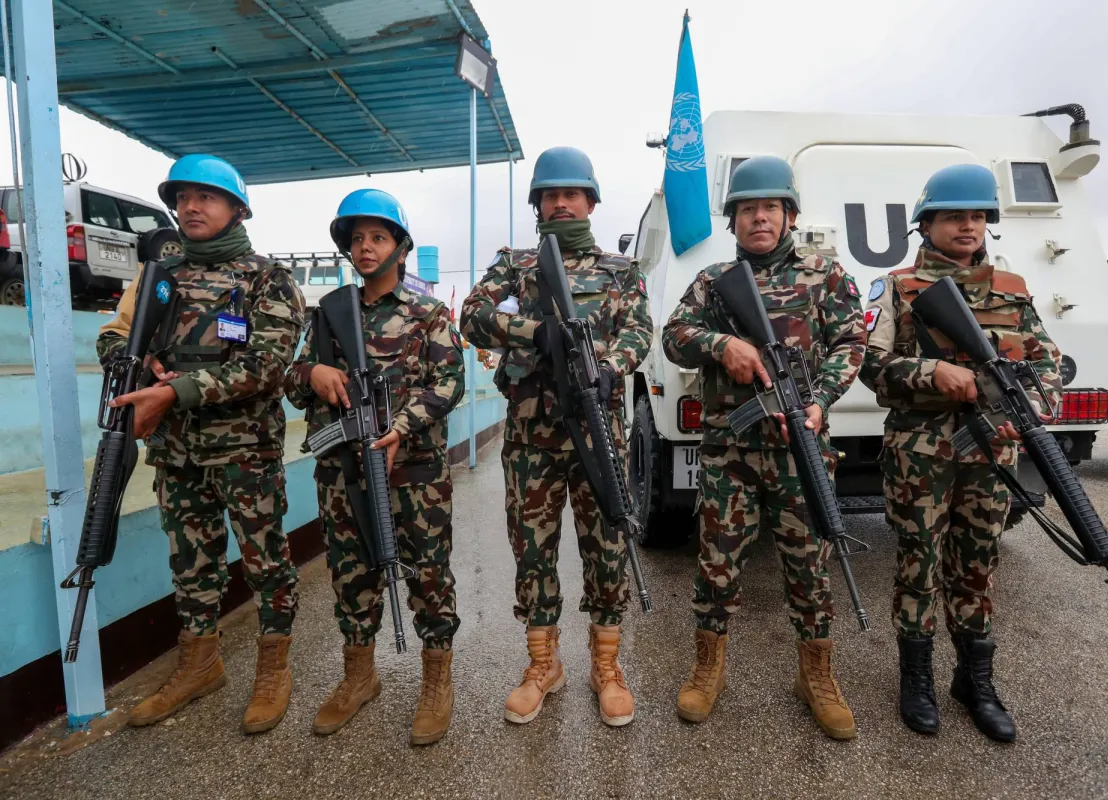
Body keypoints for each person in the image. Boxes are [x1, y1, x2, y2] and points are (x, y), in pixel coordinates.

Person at [96, 154, 304, 733]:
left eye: (206, 196)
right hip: (177, 450)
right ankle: (199, 664)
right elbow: (114, 335)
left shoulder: (267, 278)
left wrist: (176, 391)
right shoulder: (157, 277)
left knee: (266, 562)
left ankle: (274, 669)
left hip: (245, 452)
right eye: (183, 197)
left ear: (238, 209)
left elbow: (267, 365)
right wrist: (139, 366)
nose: (190, 206)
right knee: (191, 562)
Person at [661, 155, 866, 740]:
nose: (759, 218)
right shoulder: (713, 282)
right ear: (733, 220)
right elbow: (673, 338)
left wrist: (819, 401)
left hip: (800, 446)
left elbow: (852, 342)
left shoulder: (826, 276)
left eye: (770, 207)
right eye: (748, 209)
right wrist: (722, 344)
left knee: (809, 564)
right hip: (729, 450)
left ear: (789, 215)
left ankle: (815, 675)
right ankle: (708, 668)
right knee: (717, 562)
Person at [858, 163, 1062, 742]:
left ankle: (975, 682)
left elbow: (1047, 363)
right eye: (954, 216)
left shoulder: (1013, 289)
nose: (968, 226)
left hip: (991, 452)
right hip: (920, 451)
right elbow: (870, 364)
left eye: (977, 216)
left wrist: (1033, 408)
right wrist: (932, 372)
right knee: (919, 562)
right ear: (926, 225)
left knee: (977, 565)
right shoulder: (898, 287)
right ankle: (917, 680)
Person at [460, 146, 652, 727]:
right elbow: (472, 315)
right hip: (531, 436)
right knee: (532, 549)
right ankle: (543, 664)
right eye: (550, 195)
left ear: (591, 202)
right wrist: (533, 331)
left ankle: (607, 666)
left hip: (597, 432)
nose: (561, 203)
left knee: (608, 547)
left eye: (571, 194)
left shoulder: (621, 271)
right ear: (537, 204)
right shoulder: (515, 264)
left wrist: (610, 366)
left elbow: (639, 331)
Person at [283, 188, 464, 744]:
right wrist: (313, 374)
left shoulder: (427, 314)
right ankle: (359, 676)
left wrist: (401, 427)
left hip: (414, 475)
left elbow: (449, 383)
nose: (365, 247)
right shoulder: (330, 314)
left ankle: (436, 680)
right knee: (350, 575)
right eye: (357, 238)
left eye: (378, 237)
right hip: (343, 474)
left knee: (428, 575)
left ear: (400, 248)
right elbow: (291, 382)